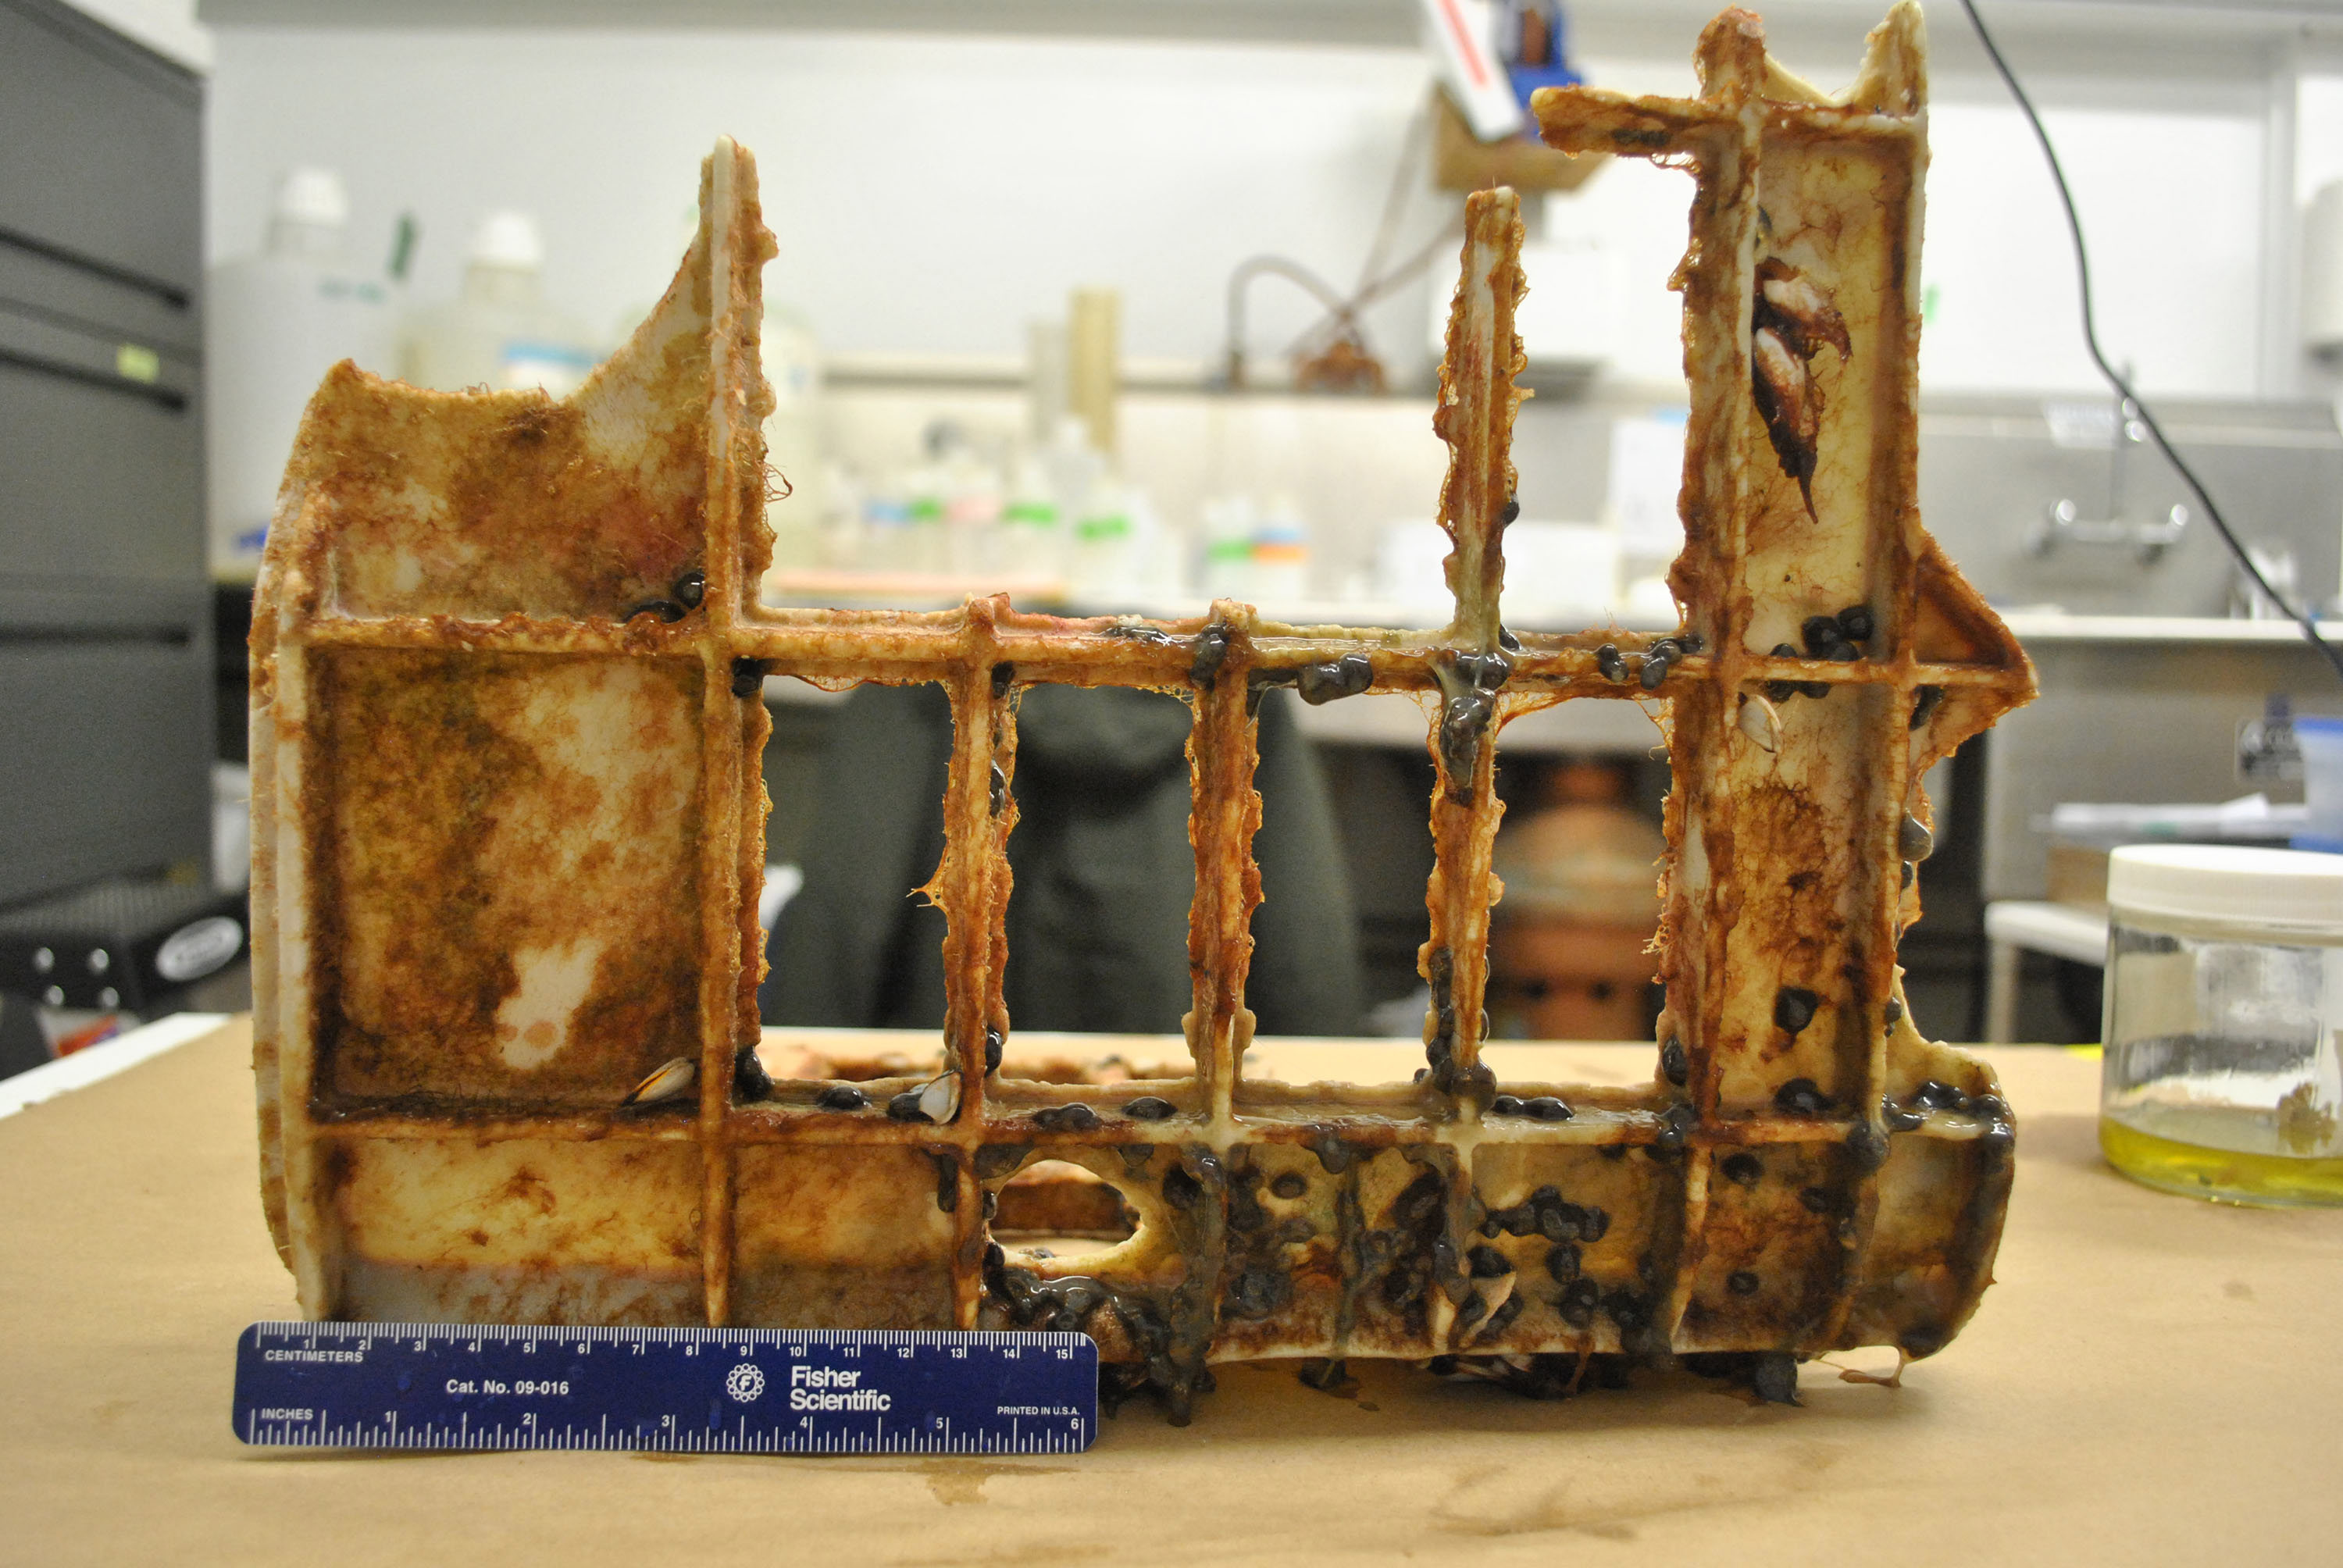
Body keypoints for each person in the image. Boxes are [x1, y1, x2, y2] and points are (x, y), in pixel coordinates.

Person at [761, 682, 1362, 1037]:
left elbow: (847, 904)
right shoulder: (1229, 687)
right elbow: (1301, 930)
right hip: (1180, 1083)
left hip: (954, 1073)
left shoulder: (918, 674)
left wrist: (807, 1062)